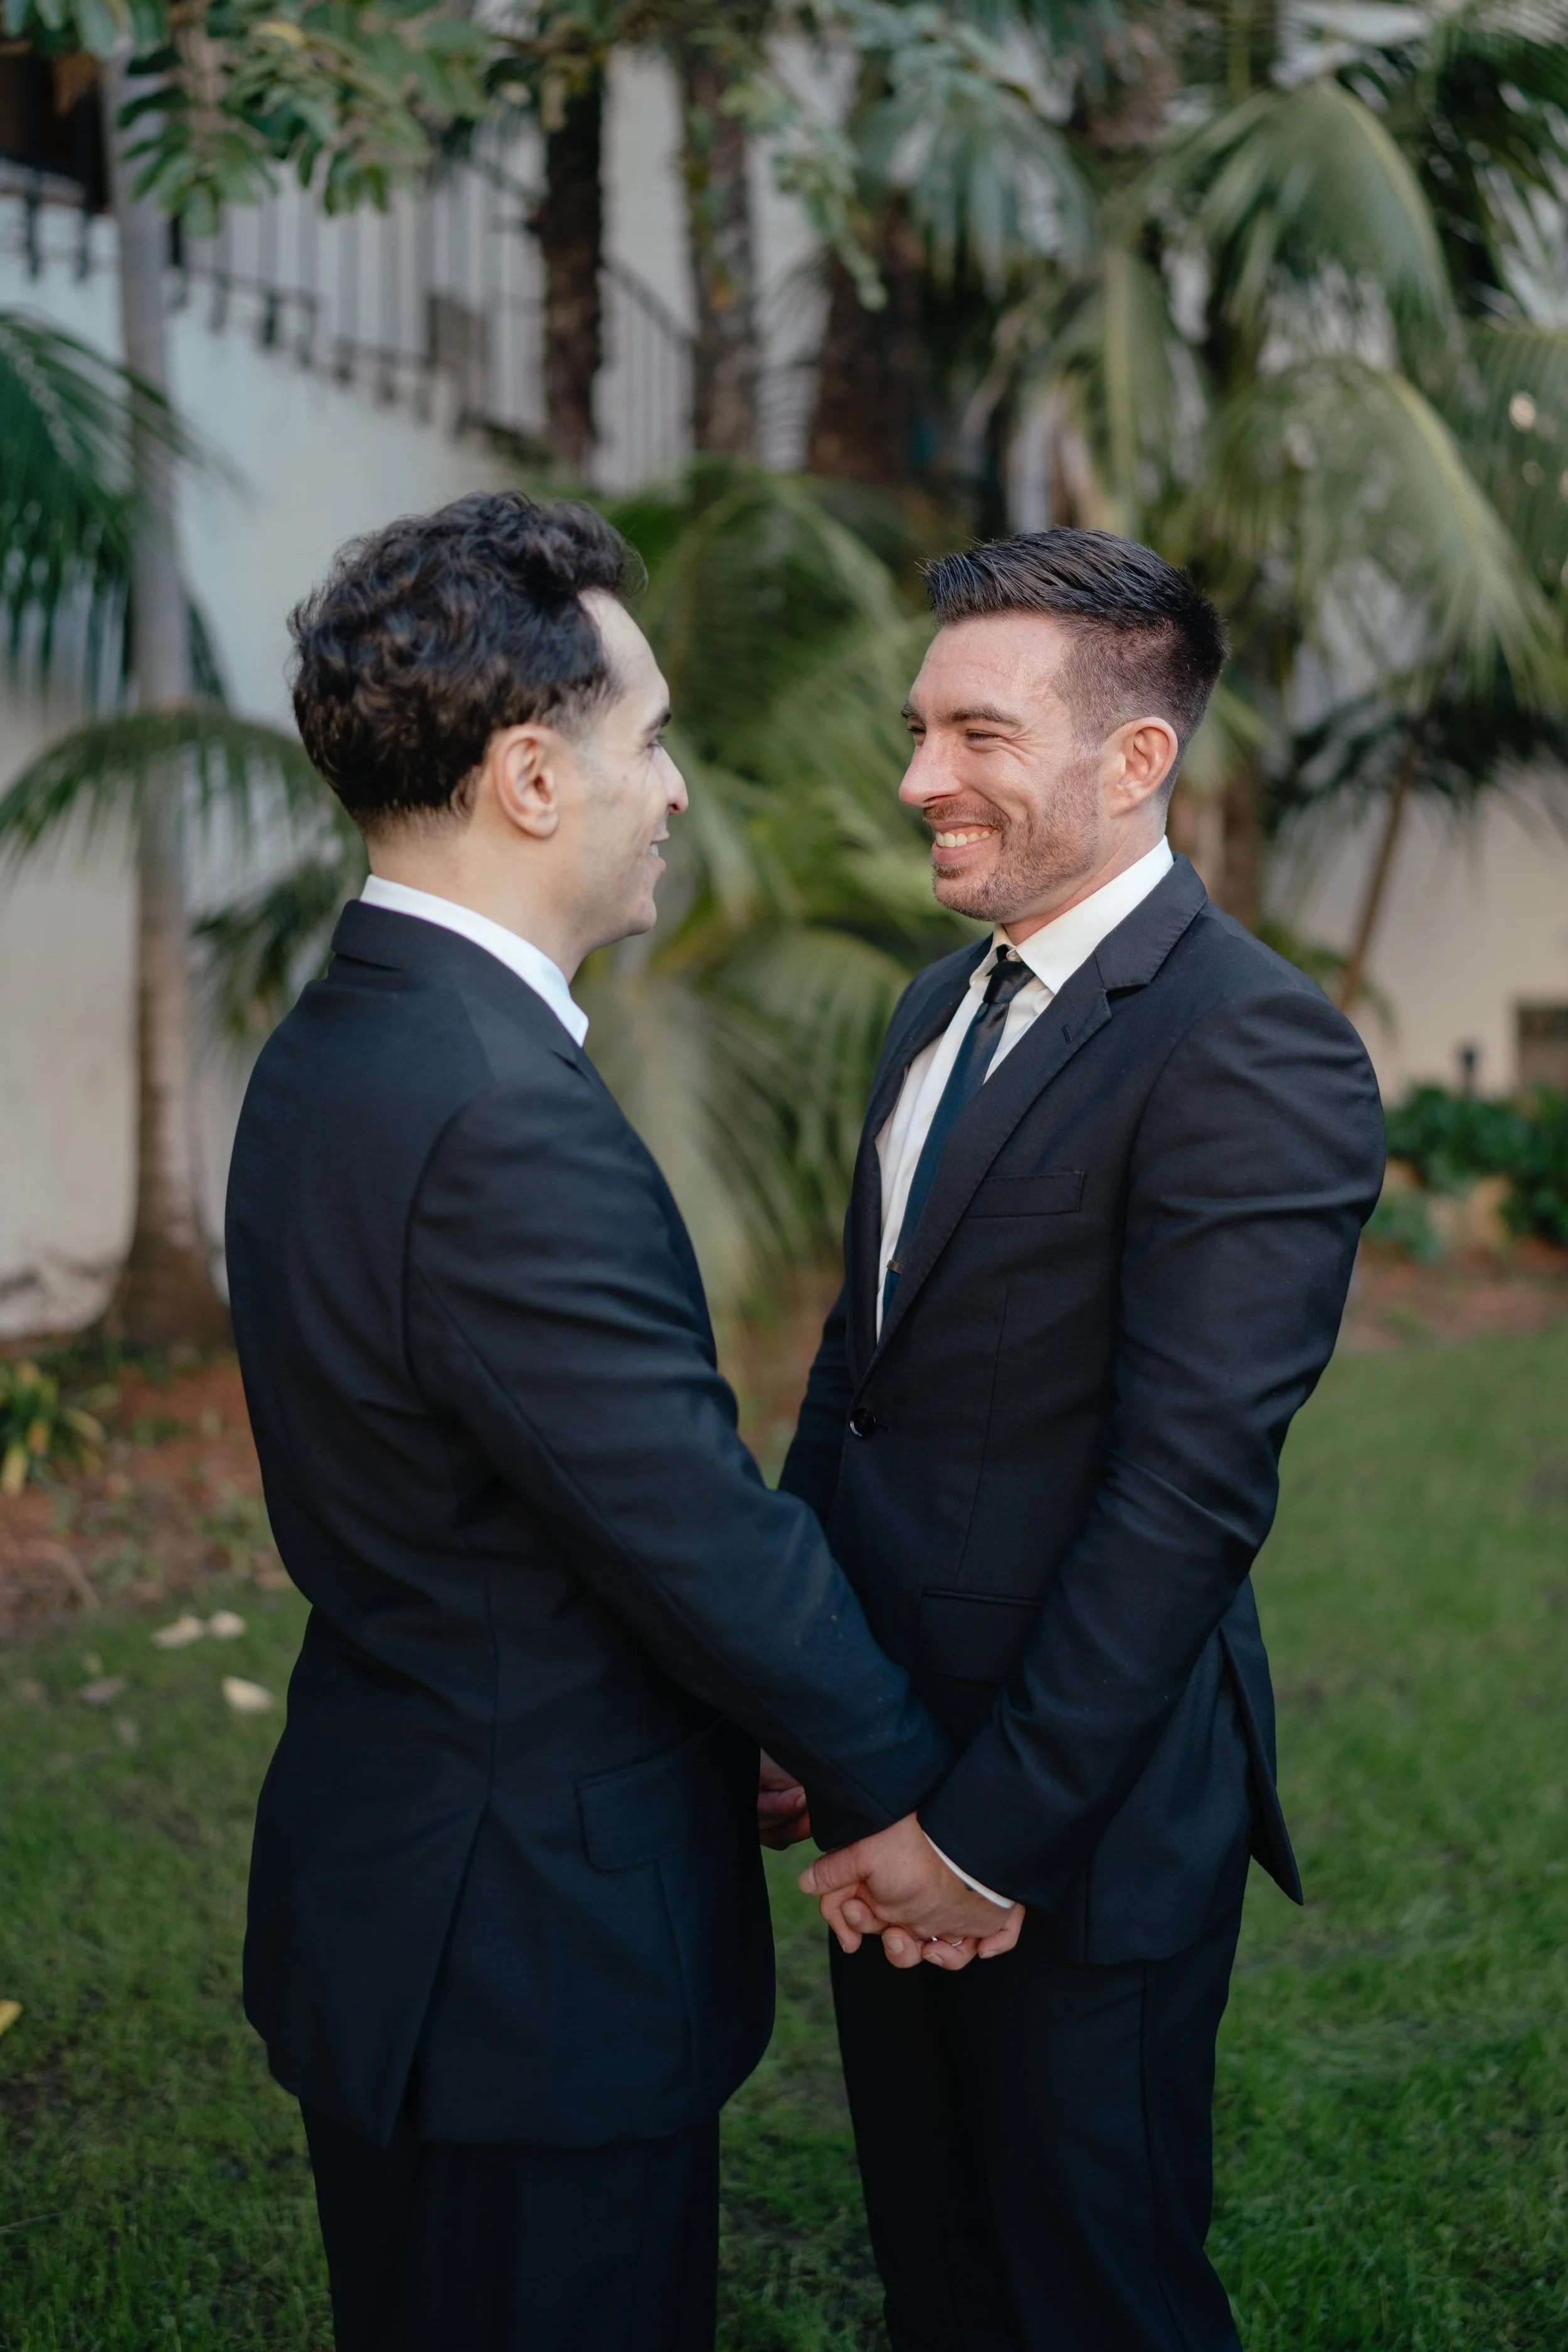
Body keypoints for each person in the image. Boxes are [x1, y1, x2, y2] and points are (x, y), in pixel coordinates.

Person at [223, 492, 999, 2352]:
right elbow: (690, 1526)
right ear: (529, 778)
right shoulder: (499, 1115)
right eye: (645, 739)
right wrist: (912, 1796)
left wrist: (698, 1738)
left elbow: (498, 1510)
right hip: (526, 1961)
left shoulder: (338, 1039)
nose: (671, 787)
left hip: (410, 1886)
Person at [783, 528, 1387, 2351]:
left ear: (1136, 761)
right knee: (938, 2270)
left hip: (1083, 1811)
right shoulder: (929, 1005)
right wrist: (789, 1688)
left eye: (975, 731)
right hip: (879, 1768)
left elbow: (1186, 1492)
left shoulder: (1250, 1046)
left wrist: (989, 1840)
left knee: (1091, 2285)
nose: (915, 777)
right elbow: (853, 1375)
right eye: (917, 726)